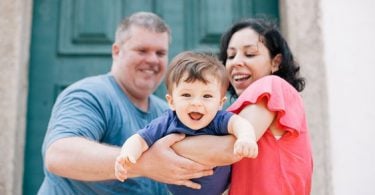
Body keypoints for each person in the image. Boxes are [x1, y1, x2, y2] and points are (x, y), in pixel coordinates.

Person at [38, 12, 213, 195]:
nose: (153, 60)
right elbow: (58, 156)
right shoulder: (90, 94)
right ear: (116, 51)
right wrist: (143, 163)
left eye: (160, 53)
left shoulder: (167, 112)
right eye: (142, 50)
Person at [172, 18, 313, 195]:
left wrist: (162, 146)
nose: (236, 62)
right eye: (230, 56)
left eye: (250, 54)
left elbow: (230, 149)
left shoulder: (272, 85)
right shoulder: (232, 114)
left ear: (275, 62)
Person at [115, 51, 258, 195]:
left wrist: (246, 137)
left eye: (207, 96)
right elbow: (139, 140)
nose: (196, 103)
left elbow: (239, 123)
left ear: (220, 103)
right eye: (186, 95)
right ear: (171, 101)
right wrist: (127, 154)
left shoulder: (218, 119)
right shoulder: (167, 121)